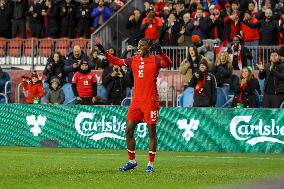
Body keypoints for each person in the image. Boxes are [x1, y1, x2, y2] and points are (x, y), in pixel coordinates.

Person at [95, 38, 172, 173]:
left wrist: (162, 53)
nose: (139, 47)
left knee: (151, 133)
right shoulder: (134, 59)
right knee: (128, 130)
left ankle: (150, 164)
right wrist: (104, 52)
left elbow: (169, 63)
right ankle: (132, 161)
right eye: (138, 45)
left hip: (150, 101)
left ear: (148, 47)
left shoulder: (156, 59)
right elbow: (117, 61)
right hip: (136, 102)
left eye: (142, 45)